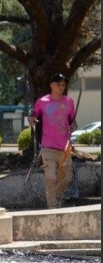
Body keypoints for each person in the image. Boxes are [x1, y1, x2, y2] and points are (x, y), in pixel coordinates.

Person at [28, 73, 77, 208]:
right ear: (51, 85)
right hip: (47, 147)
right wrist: (31, 119)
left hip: (65, 149)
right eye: (58, 84)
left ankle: (56, 200)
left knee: (66, 179)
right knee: (50, 179)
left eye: (63, 84)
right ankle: (52, 207)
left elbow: (72, 122)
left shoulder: (69, 102)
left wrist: (73, 125)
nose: (61, 87)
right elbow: (32, 115)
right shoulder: (42, 101)